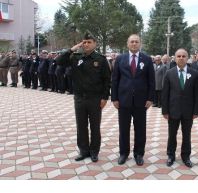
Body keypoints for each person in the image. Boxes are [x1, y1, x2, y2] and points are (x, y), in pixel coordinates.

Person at [56, 31, 111, 162]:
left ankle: (94, 151)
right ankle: (83, 151)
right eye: (84, 42)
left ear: (95, 44)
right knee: (81, 126)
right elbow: (59, 61)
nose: (86, 44)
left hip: (95, 99)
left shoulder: (101, 59)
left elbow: (107, 80)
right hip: (80, 98)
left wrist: (104, 98)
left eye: (89, 42)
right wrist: (72, 49)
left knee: (95, 127)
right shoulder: (76, 57)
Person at [111, 34, 155, 166]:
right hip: (123, 100)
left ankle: (139, 154)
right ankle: (123, 153)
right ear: (127, 44)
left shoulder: (147, 59)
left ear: (140, 43)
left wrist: (150, 98)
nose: (134, 44)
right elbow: (115, 80)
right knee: (124, 129)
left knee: (140, 129)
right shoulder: (120, 59)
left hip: (141, 101)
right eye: (132, 42)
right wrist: (114, 98)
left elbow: (151, 81)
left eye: (136, 42)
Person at [162, 48, 198, 168]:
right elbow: (165, 94)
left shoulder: (194, 73)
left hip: (188, 111)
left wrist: (196, 110)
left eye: (184, 56)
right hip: (173, 110)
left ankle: (186, 156)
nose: (181, 58)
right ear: (175, 58)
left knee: (187, 135)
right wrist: (165, 110)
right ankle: (171, 155)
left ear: (187, 58)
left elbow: (197, 94)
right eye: (179, 56)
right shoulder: (169, 73)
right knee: (172, 135)